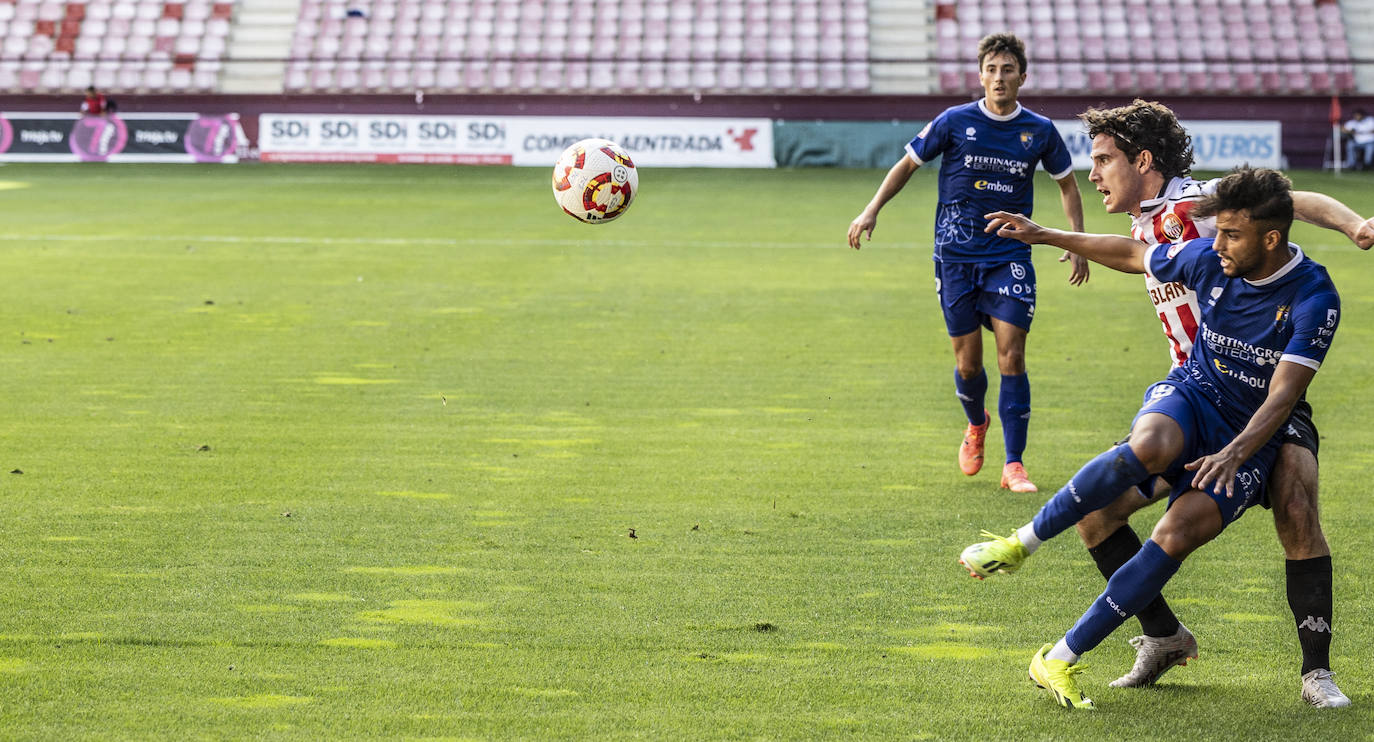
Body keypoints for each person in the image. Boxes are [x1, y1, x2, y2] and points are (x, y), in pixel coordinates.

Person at [966, 100, 1371, 707]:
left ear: (1143, 161)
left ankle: (1316, 672)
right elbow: (1134, 256)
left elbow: (1293, 200)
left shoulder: (1197, 207)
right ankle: (1162, 637)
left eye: (1103, 160)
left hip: (1261, 402)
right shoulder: (1149, 223)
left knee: (1294, 504)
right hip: (1199, 389)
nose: (1093, 172)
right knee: (1097, 515)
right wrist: (1053, 235)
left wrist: (1353, 224)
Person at [846, 32, 1086, 493]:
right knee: (970, 364)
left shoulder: (1039, 131)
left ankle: (1014, 465)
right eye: (991, 70)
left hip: (1010, 253)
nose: (999, 78)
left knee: (1012, 354)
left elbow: (1067, 186)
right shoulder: (954, 121)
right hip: (955, 257)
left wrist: (1074, 240)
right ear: (980, 76)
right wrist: (871, 209)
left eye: (1008, 70)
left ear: (1022, 77)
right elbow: (906, 165)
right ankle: (976, 425)